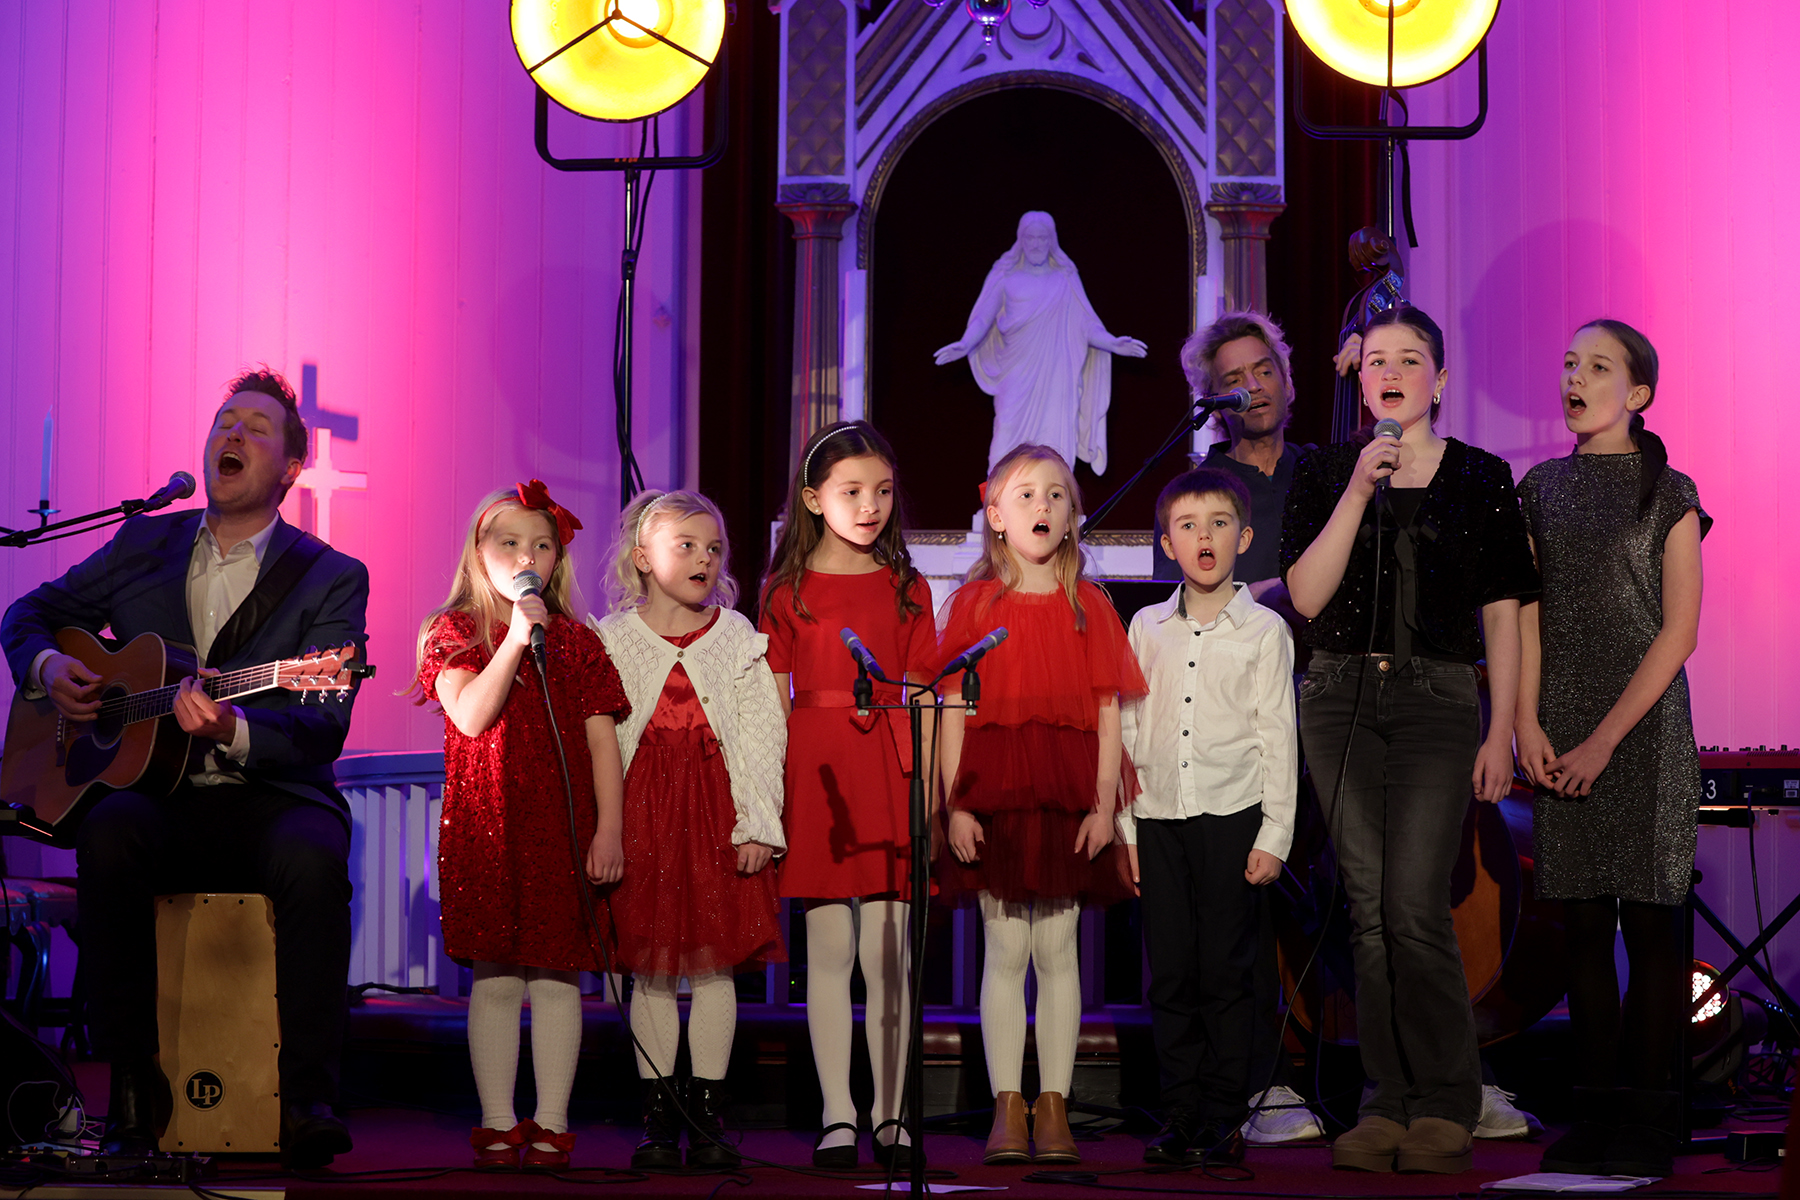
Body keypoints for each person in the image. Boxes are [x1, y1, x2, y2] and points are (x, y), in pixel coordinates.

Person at [0, 369, 370, 1168]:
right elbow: (28, 615)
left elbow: (323, 725)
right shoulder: (144, 545)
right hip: (153, 796)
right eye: (223, 422)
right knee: (107, 836)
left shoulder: (330, 575)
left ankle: (306, 1098)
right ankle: (133, 1091)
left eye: (256, 429)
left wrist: (235, 725)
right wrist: (47, 673)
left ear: (290, 469)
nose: (231, 435)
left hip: (269, 796)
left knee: (314, 855)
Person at [1280, 305, 1537, 1174]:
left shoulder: (1481, 476)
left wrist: (1500, 728)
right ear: (1359, 378)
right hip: (1340, 694)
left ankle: (1447, 1101)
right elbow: (1308, 598)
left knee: (1415, 905)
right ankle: (1383, 1102)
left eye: (1411, 358)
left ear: (1440, 379)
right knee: (1366, 911)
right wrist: (1359, 487)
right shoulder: (1322, 471)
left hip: (1436, 699)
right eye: (1376, 359)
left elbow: (1504, 614)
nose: (1391, 371)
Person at [1515, 321, 1708, 1179]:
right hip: (1560, 727)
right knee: (1584, 930)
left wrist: (1601, 741)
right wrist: (1525, 720)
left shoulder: (1670, 491)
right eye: (1568, 363)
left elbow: (1678, 634)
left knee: (1653, 931)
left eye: (1598, 366)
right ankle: (1593, 1113)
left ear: (1636, 394)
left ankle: (1651, 1115)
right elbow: (1522, 615)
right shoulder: (1539, 488)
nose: (1575, 376)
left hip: (1641, 735)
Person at [936, 443, 1146, 1166]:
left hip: (1065, 795)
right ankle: (1008, 1106)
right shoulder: (970, 605)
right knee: (1005, 947)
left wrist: (1102, 807)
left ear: (1073, 516)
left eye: (1057, 495)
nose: (1042, 507)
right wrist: (954, 805)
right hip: (993, 792)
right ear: (994, 513)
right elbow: (955, 709)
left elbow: (1109, 713)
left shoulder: (1089, 605)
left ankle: (1053, 1103)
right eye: (1025, 495)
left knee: (1056, 948)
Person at [411, 481, 629, 1171]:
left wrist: (610, 832)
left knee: (560, 974)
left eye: (541, 544)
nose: (526, 554)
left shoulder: (578, 642)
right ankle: (499, 1122)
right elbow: (471, 716)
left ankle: (553, 1122)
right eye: (510, 541)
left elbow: (602, 746)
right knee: (499, 974)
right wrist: (512, 639)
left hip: (563, 824)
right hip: (490, 825)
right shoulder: (452, 631)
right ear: (479, 552)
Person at [1160, 310, 1324, 1146]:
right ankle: (1260, 1084)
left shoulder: (1324, 471)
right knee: (1244, 923)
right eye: (1233, 378)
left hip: (1328, 701)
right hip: (1230, 729)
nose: (1253, 387)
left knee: (1350, 897)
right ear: (1209, 398)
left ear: (1289, 379)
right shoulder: (1200, 492)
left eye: (1264, 369)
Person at [759, 420, 937, 1170]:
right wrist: (766, 800)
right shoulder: (787, 590)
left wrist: (931, 794)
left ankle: (891, 1115)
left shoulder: (908, 586)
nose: (871, 507)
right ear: (812, 498)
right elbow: (770, 702)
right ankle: (839, 1115)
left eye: (884, 492)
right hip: (819, 772)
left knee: (889, 955)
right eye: (853, 492)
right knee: (828, 951)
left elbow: (928, 694)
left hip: (890, 768)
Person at [594, 489, 788, 1169]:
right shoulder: (611, 638)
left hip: (715, 812)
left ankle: (706, 1109)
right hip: (643, 813)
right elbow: (598, 741)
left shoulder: (734, 634)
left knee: (712, 964)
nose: (705, 559)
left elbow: (765, 732)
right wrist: (602, 830)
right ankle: (659, 1112)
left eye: (714, 549)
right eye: (687, 546)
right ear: (643, 556)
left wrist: (758, 822)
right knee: (650, 967)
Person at [1119, 467, 1296, 1166]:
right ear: (1167, 543)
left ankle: (1224, 1115)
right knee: (1171, 973)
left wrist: (1274, 834)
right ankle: (1181, 1112)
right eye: (1188, 526)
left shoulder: (1263, 630)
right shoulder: (1146, 627)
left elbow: (1278, 737)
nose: (1204, 538)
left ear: (1243, 538)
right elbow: (1133, 730)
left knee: (1227, 971)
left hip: (1232, 818)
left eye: (1219, 524)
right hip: (1160, 817)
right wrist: (1128, 829)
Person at [934, 211, 1148, 477]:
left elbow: (1085, 325)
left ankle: (1056, 497)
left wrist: (1113, 344)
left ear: (1051, 241)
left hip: (1057, 376)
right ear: (1021, 240)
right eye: (1030, 238)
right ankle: (998, 500)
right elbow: (982, 319)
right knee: (1006, 431)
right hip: (1016, 371)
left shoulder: (1064, 279)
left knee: (1055, 440)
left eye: (1042, 238)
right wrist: (966, 344)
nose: (1036, 244)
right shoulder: (1006, 277)